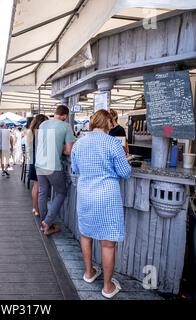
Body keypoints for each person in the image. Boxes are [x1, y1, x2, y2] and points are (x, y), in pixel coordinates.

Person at [71, 110, 132, 299]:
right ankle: (107, 287)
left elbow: (75, 169)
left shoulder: (79, 144)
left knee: (86, 235)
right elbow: (126, 172)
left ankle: (89, 273)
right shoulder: (113, 143)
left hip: (85, 195)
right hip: (107, 197)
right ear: (108, 123)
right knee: (107, 244)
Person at [36, 105, 75, 235]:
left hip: (39, 163)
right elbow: (69, 151)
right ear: (65, 115)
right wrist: (62, 149)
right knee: (61, 192)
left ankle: (44, 223)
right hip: (53, 165)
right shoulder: (66, 126)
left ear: (55, 113)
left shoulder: (43, 124)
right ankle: (47, 222)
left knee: (42, 192)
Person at [26, 114, 49, 217]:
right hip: (40, 162)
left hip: (33, 161)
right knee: (39, 188)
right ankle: (38, 209)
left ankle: (35, 208)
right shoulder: (42, 133)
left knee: (36, 186)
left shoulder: (31, 132)